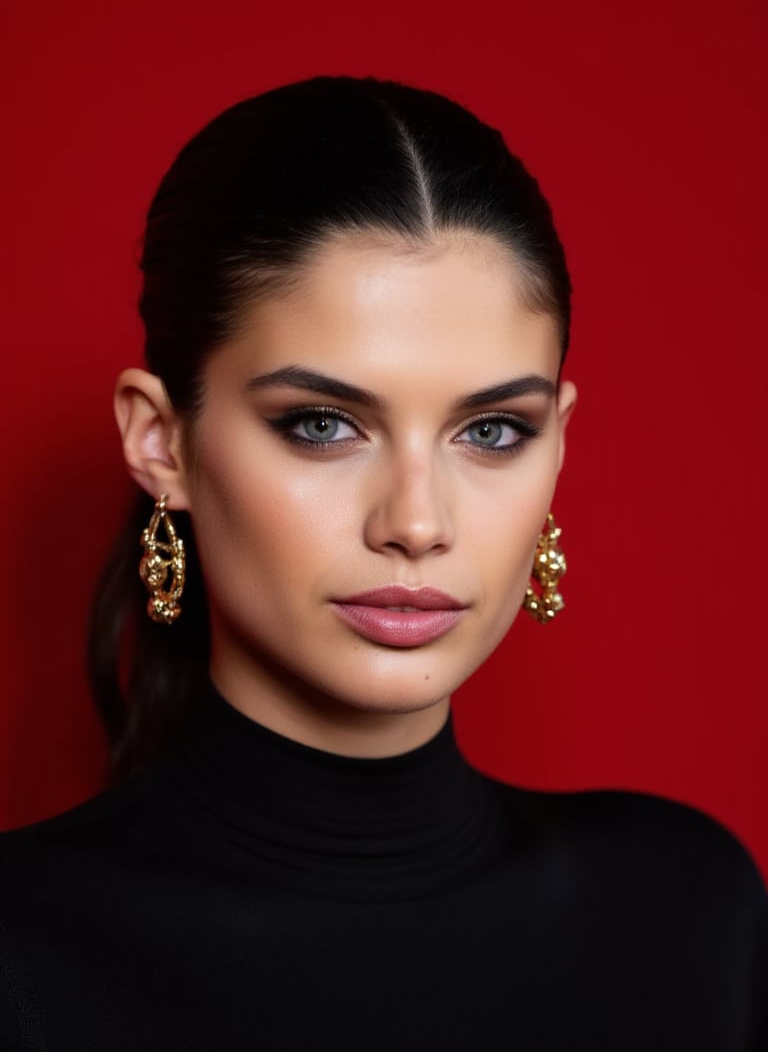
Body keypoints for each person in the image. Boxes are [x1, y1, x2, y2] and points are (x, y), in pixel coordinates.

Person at [0, 76, 765, 1051]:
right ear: (161, 442)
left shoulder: (684, 909)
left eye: (491, 430)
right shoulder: (25, 951)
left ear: (558, 445)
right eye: (322, 425)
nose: (416, 521)